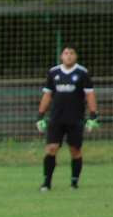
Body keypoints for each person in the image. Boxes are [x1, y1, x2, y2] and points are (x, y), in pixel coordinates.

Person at [36, 46, 98, 191]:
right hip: (56, 118)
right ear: (61, 57)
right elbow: (47, 94)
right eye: (66, 53)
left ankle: (74, 182)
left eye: (71, 53)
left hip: (75, 119)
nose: (68, 56)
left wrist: (93, 115)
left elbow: (90, 94)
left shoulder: (82, 73)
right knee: (51, 148)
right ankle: (46, 183)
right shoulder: (53, 72)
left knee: (75, 150)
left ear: (75, 57)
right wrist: (40, 115)